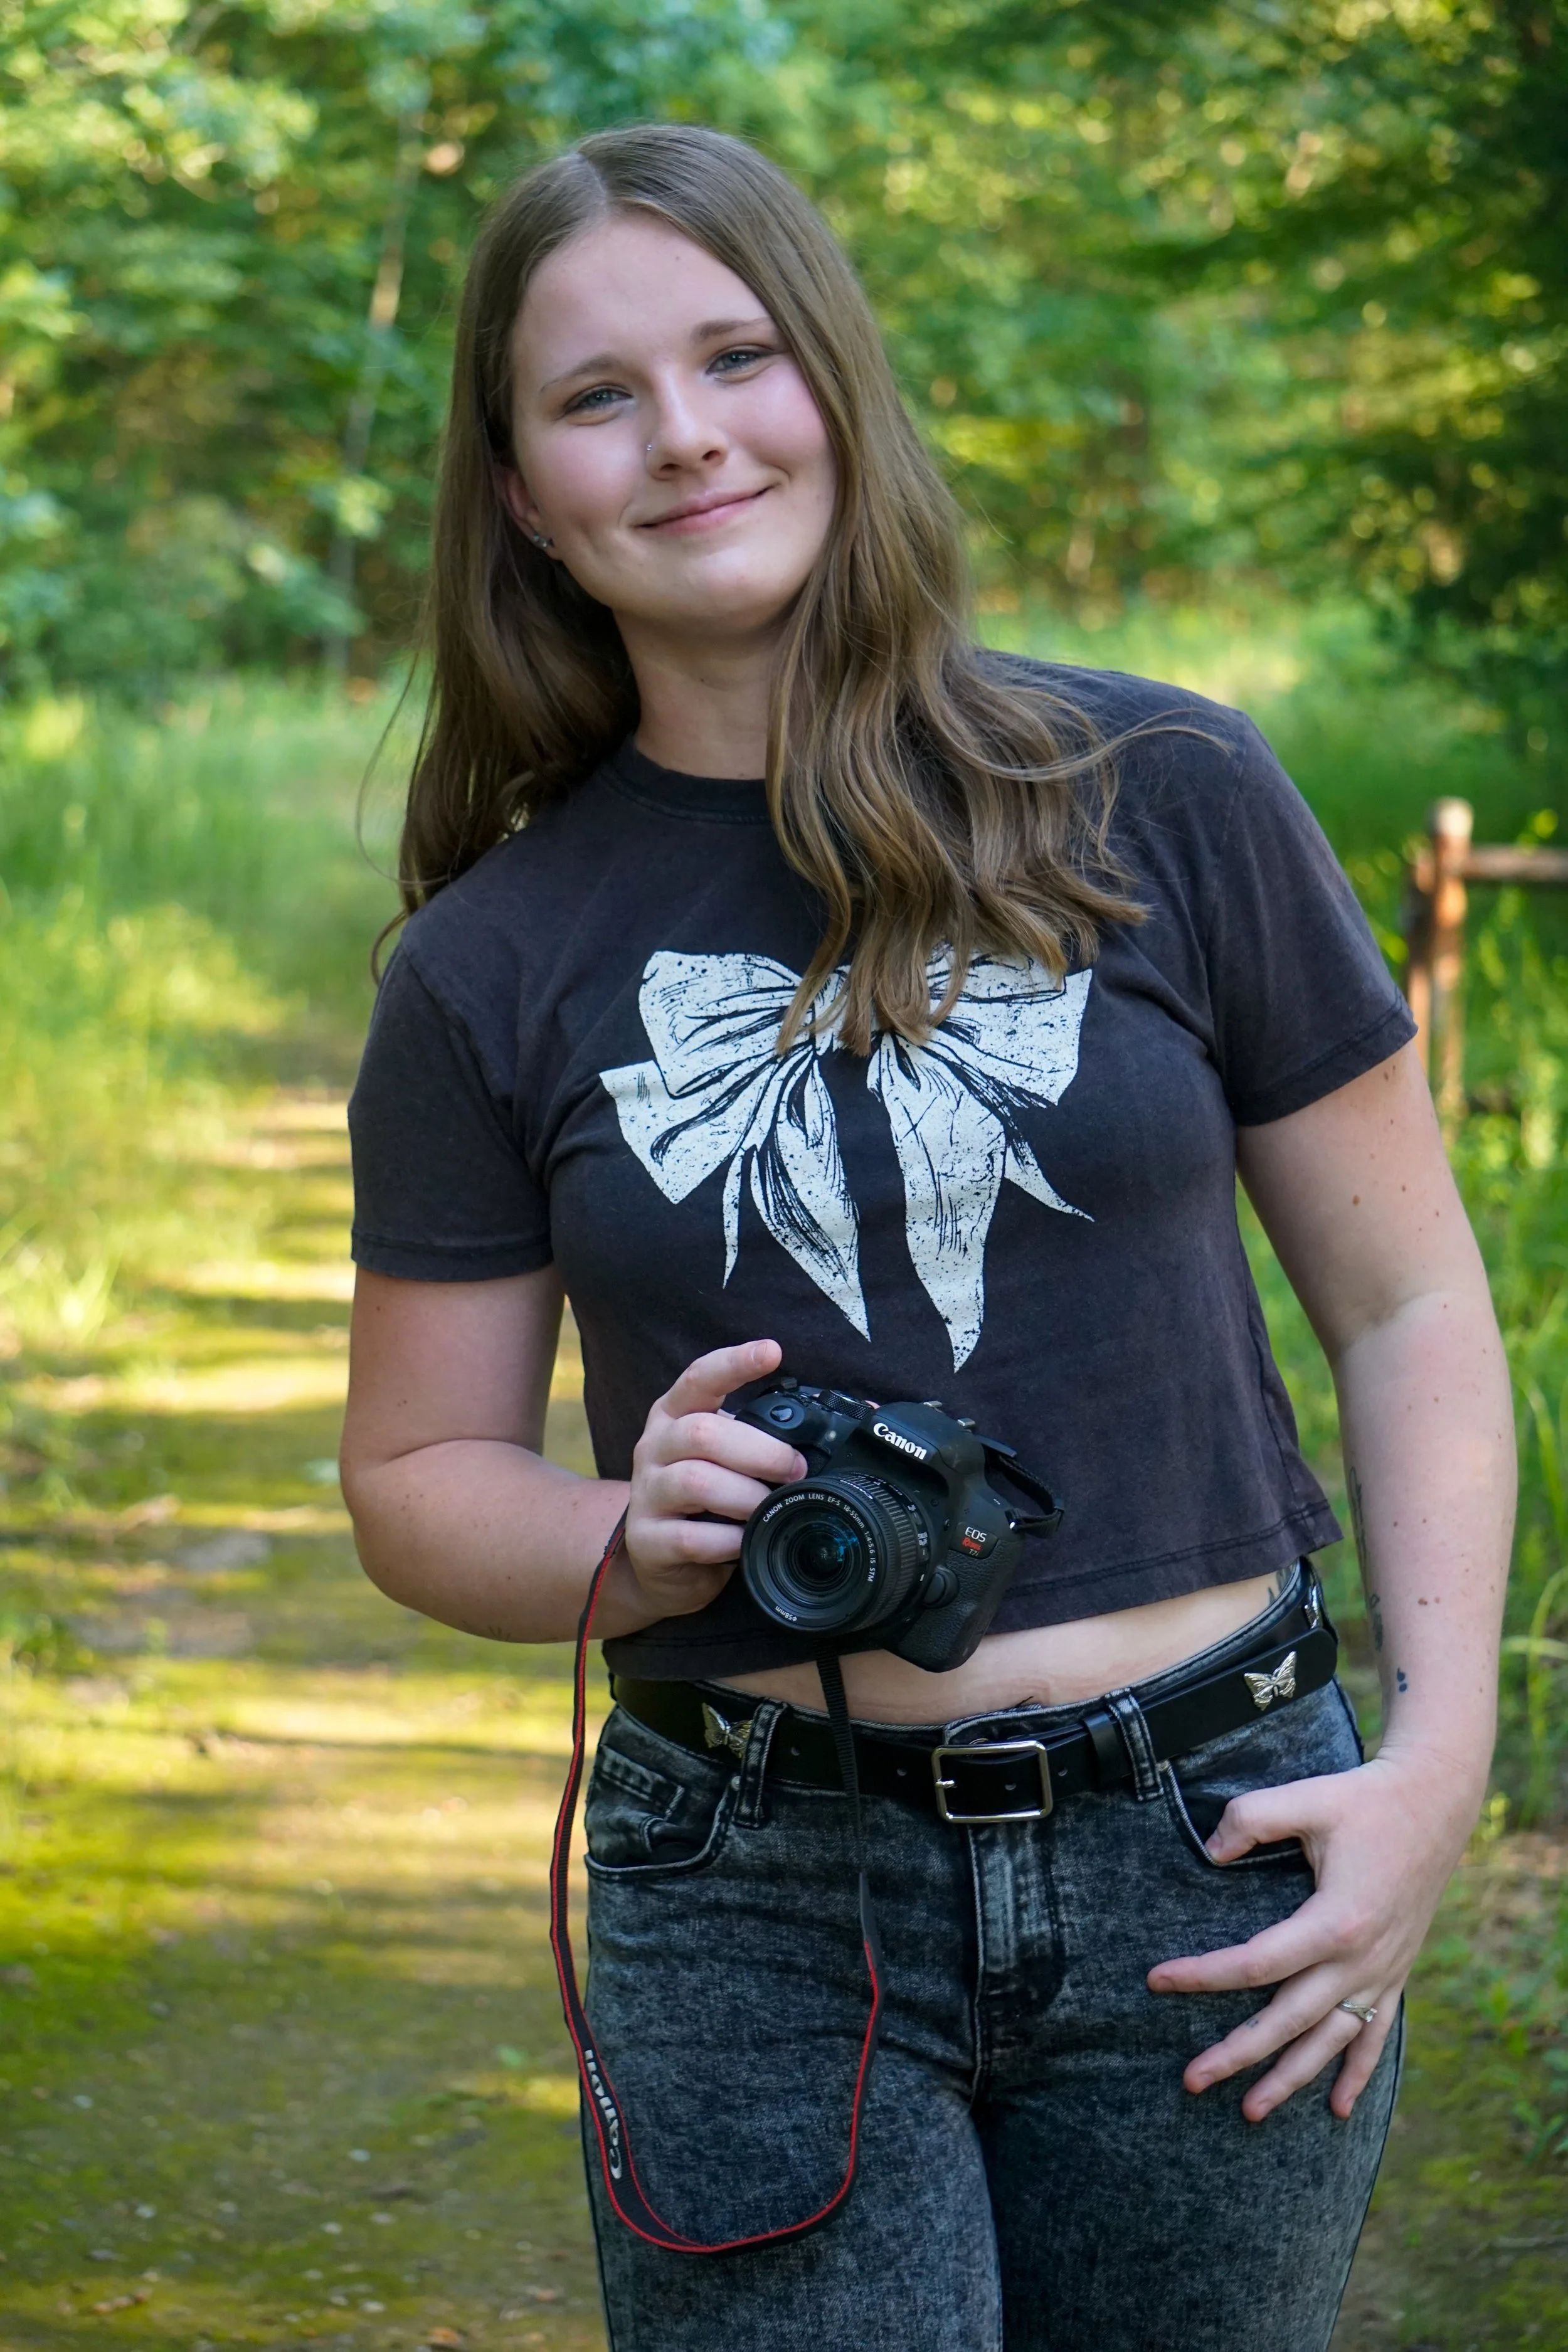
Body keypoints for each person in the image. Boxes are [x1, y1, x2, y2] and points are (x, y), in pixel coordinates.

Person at [339, 123, 1514, 2352]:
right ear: (517, 491)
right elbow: (414, 1485)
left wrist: (1432, 1768)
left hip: (1216, 1836)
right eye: (595, 397)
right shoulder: (487, 966)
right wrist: (628, 1529)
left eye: (736, 357)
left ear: (837, 387)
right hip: (752, 1887)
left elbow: (1407, 1297)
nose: (684, 436)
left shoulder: (1162, 789)